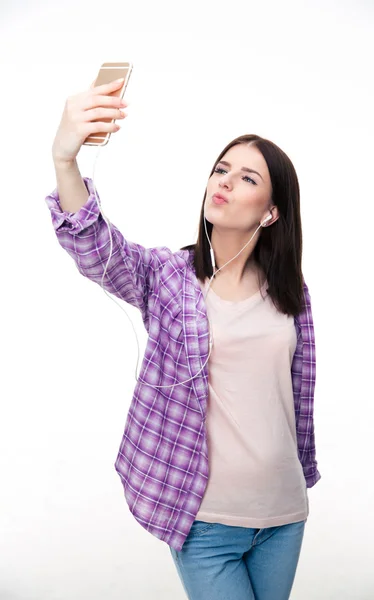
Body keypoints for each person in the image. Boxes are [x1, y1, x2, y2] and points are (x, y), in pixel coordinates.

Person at [46, 77, 321, 600]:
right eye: (221, 170)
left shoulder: (293, 294)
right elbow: (95, 246)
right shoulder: (169, 277)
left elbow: (297, 397)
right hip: (206, 520)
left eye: (246, 178)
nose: (223, 182)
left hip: (284, 514)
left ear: (271, 211)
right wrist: (65, 161)